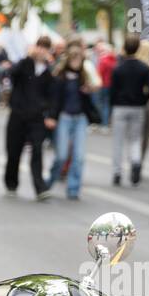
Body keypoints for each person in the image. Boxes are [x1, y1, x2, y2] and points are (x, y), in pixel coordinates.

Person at [4, 36, 57, 200]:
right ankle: (11, 183)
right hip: (18, 114)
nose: (42, 50)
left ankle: (40, 188)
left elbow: (52, 96)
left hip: (36, 117)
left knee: (37, 151)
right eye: (40, 46)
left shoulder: (48, 72)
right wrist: (28, 57)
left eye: (46, 48)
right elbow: (11, 74)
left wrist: (50, 115)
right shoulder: (25, 64)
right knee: (14, 151)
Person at [47, 43, 100, 199]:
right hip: (64, 117)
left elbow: (97, 86)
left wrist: (89, 90)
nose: (76, 62)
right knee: (61, 155)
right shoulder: (60, 77)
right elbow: (54, 100)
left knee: (79, 156)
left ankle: (73, 188)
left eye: (79, 59)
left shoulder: (84, 77)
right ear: (68, 60)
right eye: (74, 59)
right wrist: (52, 116)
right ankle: (50, 180)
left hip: (80, 118)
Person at [110, 34, 149, 185]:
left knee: (118, 140)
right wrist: (143, 99)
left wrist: (113, 105)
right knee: (135, 139)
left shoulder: (118, 68)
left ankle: (117, 172)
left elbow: (112, 90)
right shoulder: (144, 68)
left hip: (120, 106)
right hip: (137, 106)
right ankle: (136, 161)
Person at [95, 42, 116, 127]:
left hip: (103, 84)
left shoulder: (103, 61)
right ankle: (107, 121)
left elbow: (98, 73)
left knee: (103, 104)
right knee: (108, 104)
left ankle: (104, 122)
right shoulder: (114, 60)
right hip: (111, 85)